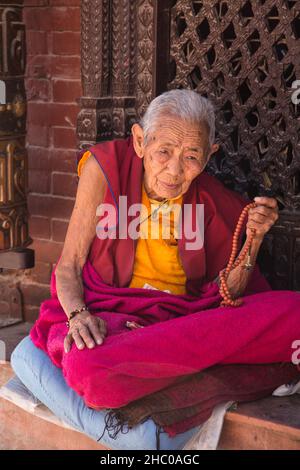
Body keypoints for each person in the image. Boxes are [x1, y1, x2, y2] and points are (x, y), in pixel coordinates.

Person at [11, 89, 300, 449]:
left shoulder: (214, 201)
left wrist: (253, 241)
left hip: (179, 326)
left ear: (209, 156)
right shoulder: (105, 168)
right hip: (113, 322)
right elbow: (68, 265)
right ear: (138, 141)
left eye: (191, 156)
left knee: (294, 311)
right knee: (89, 366)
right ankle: (149, 425)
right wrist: (79, 314)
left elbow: (229, 295)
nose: (175, 169)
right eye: (164, 151)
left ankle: (47, 374)